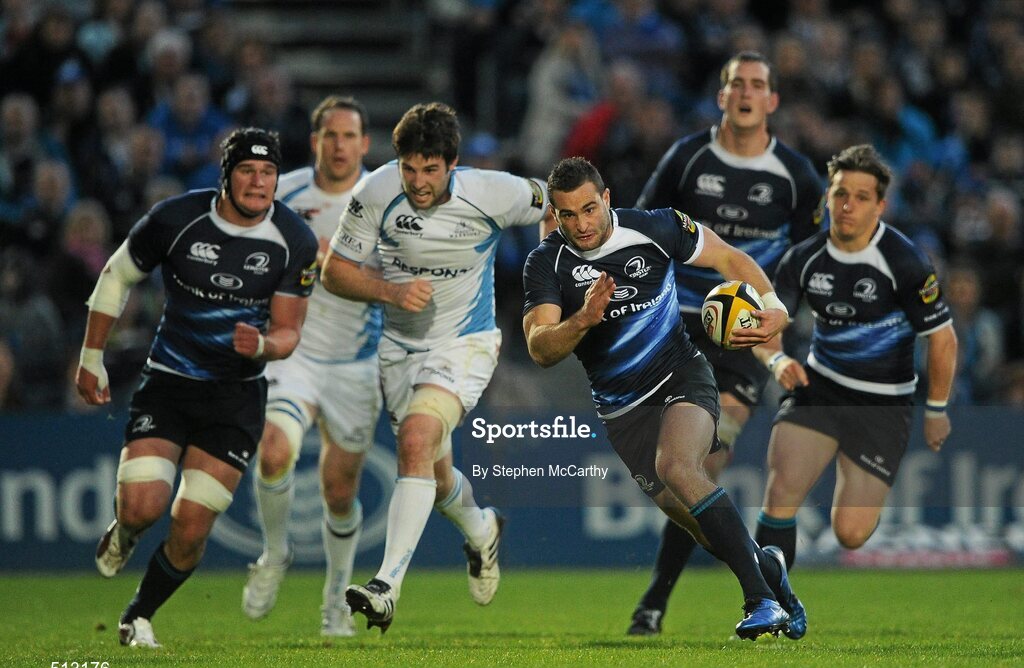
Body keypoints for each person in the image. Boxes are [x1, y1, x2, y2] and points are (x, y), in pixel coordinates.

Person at [522, 156, 805, 640]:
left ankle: (759, 601)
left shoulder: (656, 227)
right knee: (701, 529)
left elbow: (729, 259)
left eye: (589, 209)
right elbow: (539, 346)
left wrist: (774, 306)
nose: (581, 224)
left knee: (679, 464)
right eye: (567, 215)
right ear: (555, 213)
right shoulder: (547, 262)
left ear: (606, 198)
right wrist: (581, 322)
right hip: (622, 411)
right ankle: (772, 575)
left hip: (681, 375)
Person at [78, 127, 319, 648]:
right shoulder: (175, 218)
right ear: (226, 175)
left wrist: (261, 347)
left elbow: (289, 332)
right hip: (169, 382)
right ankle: (125, 531)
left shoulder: (294, 241)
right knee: (142, 507)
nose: (259, 183)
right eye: (248, 171)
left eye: (269, 173)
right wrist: (91, 357)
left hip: (235, 398)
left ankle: (138, 616)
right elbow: (116, 277)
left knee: (190, 529)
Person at [321, 102, 555, 633]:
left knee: (416, 438)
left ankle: (385, 586)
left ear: (452, 164)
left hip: (466, 343)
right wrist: (387, 290)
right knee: (434, 469)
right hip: (399, 351)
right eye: (409, 168)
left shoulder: (493, 191)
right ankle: (481, 529)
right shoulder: (376, 192)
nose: (419, 182)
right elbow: (335, 272)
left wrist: (548, 273)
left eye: (430, 169)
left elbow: (555, 201)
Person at [627, 50, 824, 636]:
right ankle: (759, 567)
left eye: (757, 84)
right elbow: (641, 226)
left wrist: (776, 313)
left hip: (742, 341)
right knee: (669, 484)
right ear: (722, 96)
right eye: (736, 82)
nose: (745, 91)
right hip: (674, 327)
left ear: (772, 100)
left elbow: (810, 257)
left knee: (700, 463)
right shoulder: (687, 158)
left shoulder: (794, 173)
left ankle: (662, 602)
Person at [752, 144, 957, 568]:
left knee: (851, 532)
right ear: (827, 197)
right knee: (781, 490)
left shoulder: (905, 262)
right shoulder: (803, 259)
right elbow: (766, 323)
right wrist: (777, 361)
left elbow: (943, 339)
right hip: (820, 387)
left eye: (861, 197)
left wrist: (936, 408)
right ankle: (766, 607)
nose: (847, 206)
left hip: (883, 403)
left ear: (880, 206)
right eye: (840, 193)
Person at [240, 96, 381, 637]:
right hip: (292, 351)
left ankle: (335, 601)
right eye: (331, 135)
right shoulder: (285, 195)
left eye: (350, 136)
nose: (340, 145)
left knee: (339, 491)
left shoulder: (381, 199)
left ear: (364, 145)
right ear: (315, 140)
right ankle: (275, 553)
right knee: (275, 451)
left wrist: (340, 266)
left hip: (355, 362)